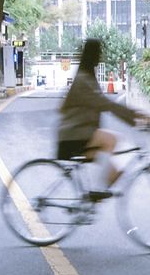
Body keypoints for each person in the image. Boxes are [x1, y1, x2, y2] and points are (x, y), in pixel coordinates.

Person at [57, 38, 144, 191]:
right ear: (93, 56)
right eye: (99, 53)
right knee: (111, 140)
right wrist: (135, 116)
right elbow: (105, 104)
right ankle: (98, 191)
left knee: (108, 161)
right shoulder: (84, 80)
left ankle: (94, 195)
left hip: (77, 133)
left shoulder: (86, 77)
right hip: (73, 136)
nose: (101, 57)